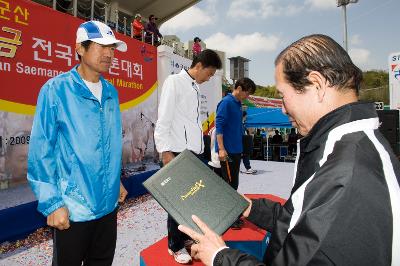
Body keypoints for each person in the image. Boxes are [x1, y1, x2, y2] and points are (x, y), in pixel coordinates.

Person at [178, 34, 400, 266]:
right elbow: (302, 221)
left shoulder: (347, 173)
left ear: (317, 84)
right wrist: (250, 208)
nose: (283, 109)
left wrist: (219, 256)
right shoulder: (348, 150)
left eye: (283, 96)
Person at [27, 21, 128, 266]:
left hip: (108, 207)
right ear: (79, 48)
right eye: (100, 46)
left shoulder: (111, 93)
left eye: (112, 48)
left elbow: (109, 145)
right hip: (73, 209)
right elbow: (42, 152)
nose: (109, 54)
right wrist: (53, 203)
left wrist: (116, 181)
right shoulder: (56, 90)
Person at [154, 49, 222, 264]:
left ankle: (183, 239)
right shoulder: (174, 82)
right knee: (178, 202)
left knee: (190, 201)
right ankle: (174, 245)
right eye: (209, 73)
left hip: (192, 153)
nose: (209, 78)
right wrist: (165, 152)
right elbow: (163, 119)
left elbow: (190, 124)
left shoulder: (194, 87)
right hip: (175, 152)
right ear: (199, 65)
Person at [216, 77, 256, 229]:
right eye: (247, 93)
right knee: (229, 185)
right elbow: (219, 126)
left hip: (236, 150)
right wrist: (221, 148)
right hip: (227, 151)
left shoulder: (239, 104)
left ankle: (230, 215)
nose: (248, 96)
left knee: (233, 183)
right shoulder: (226, 102)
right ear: (238, 88)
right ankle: (229, 219)